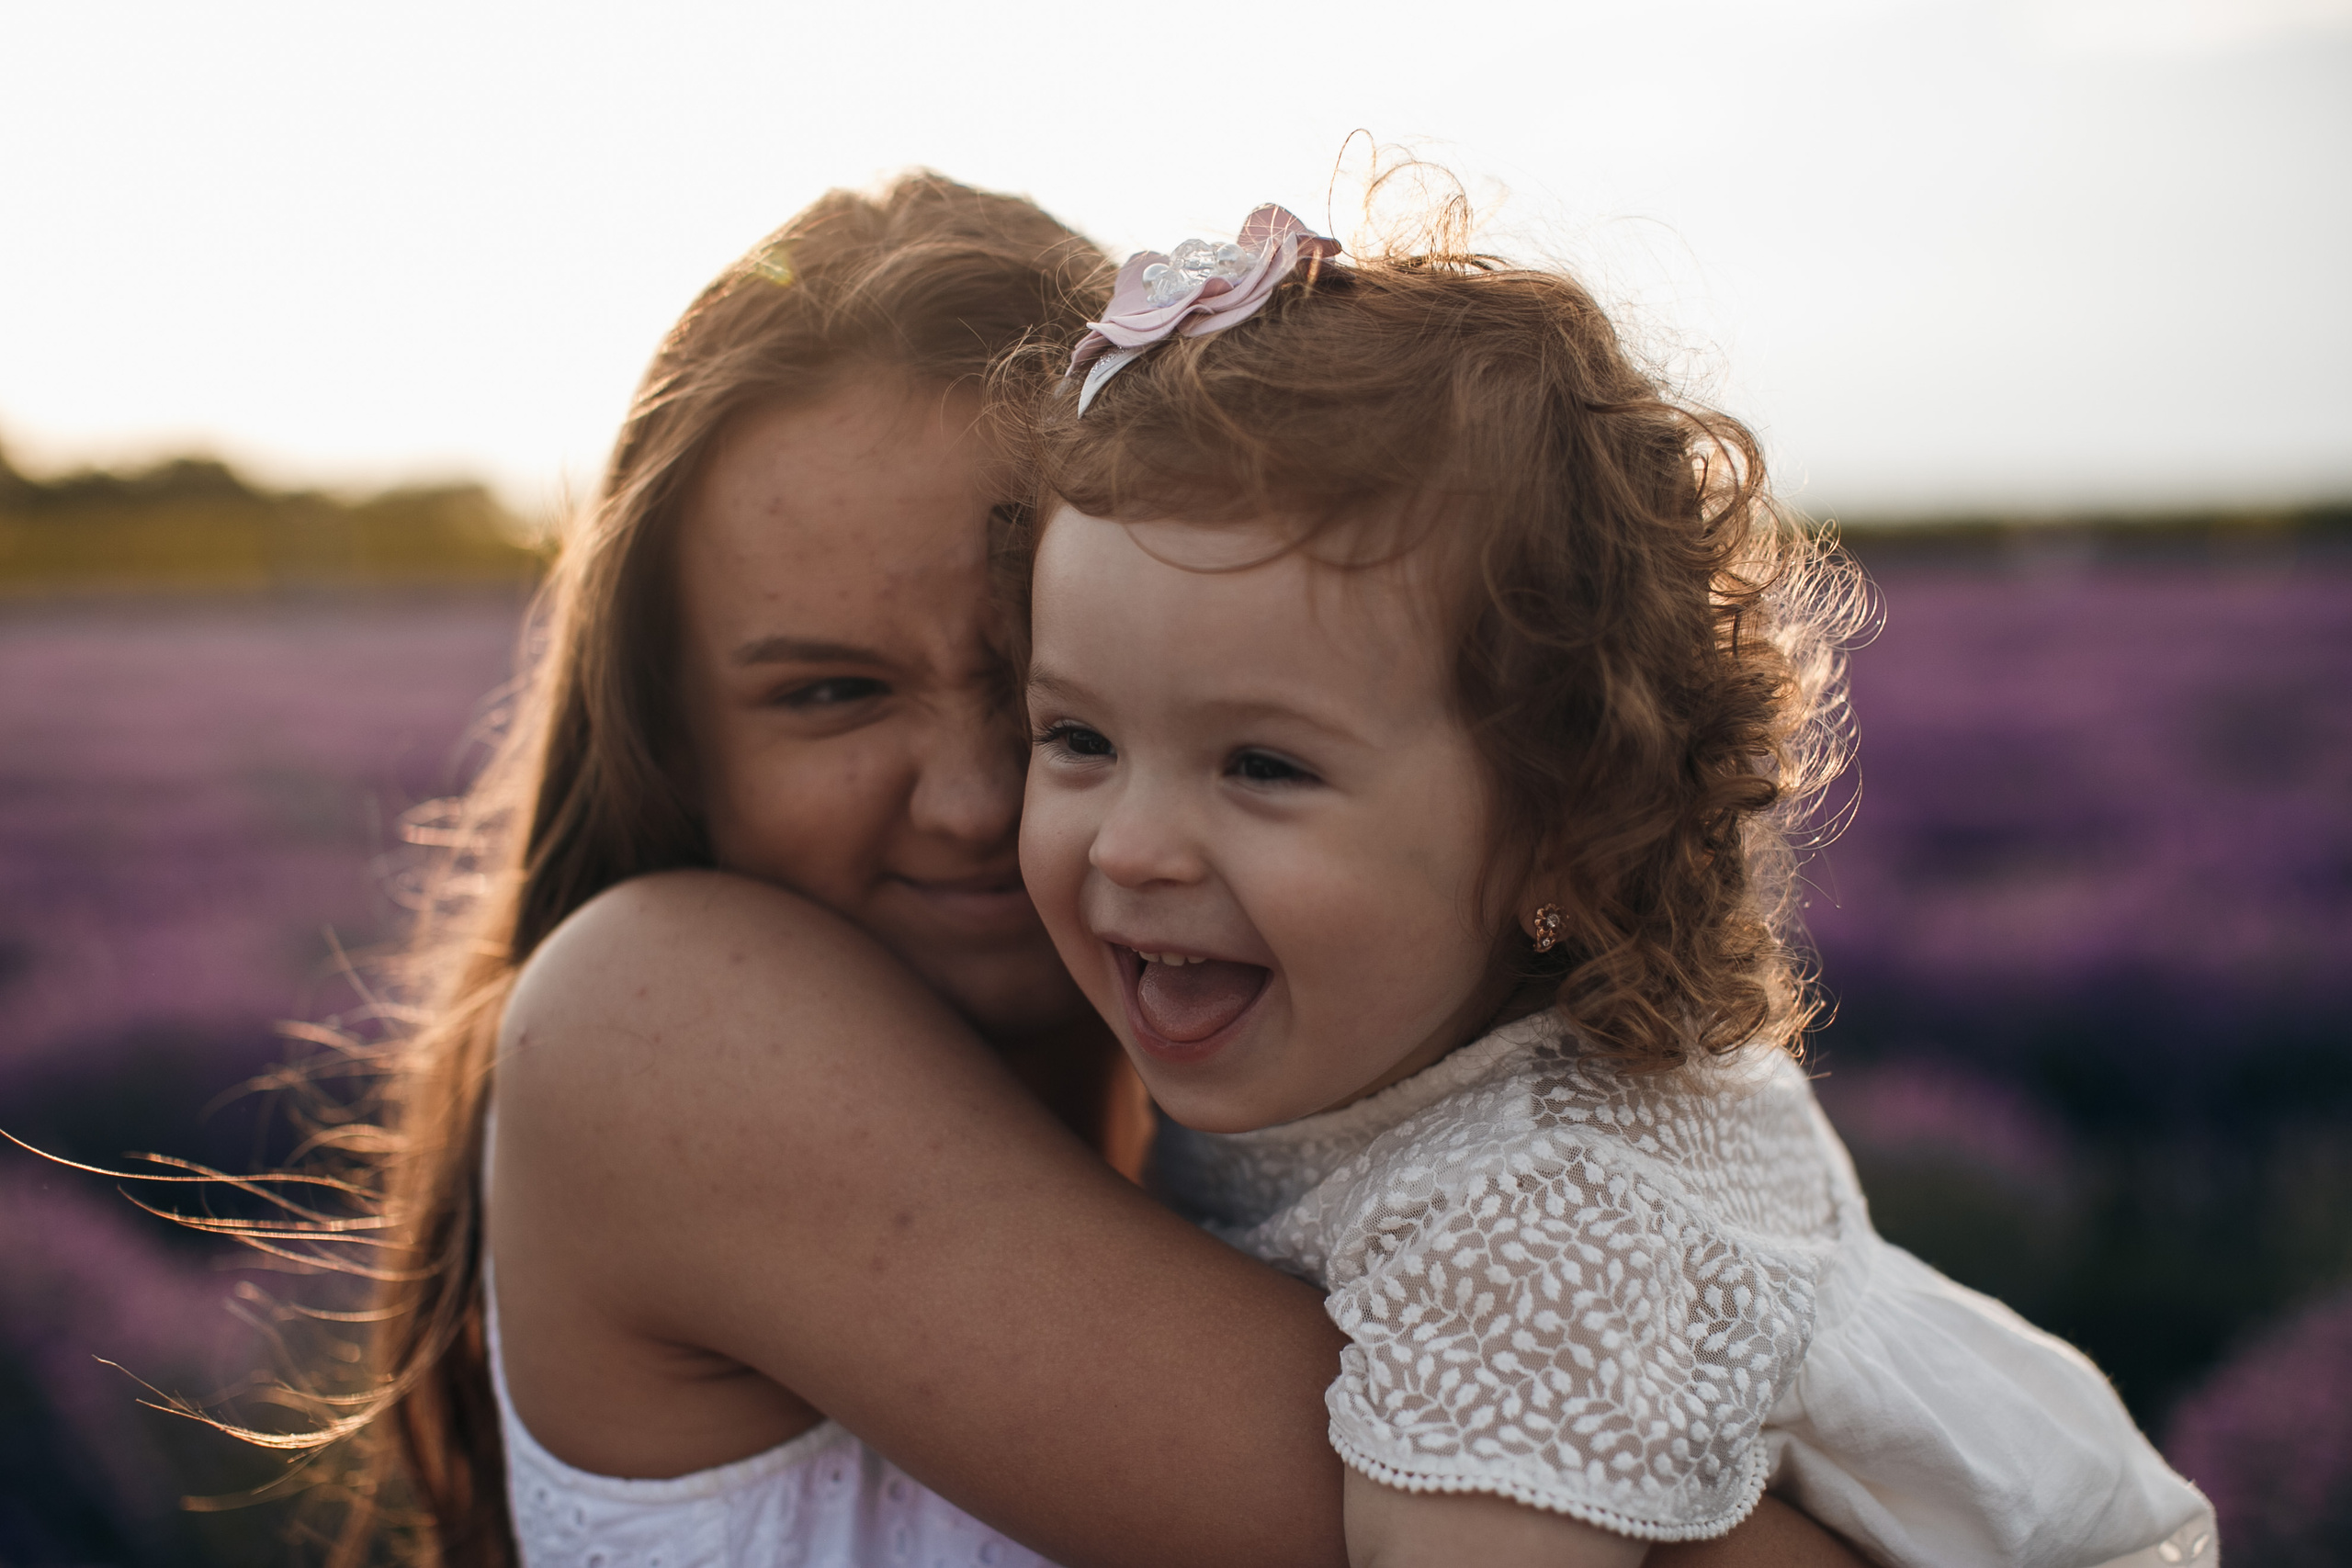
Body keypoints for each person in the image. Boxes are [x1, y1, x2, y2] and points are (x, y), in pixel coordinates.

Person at [306, 173, 1872, 1567]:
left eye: (1045, 693)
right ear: (671, 744)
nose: (987, 793)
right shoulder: (650, 1019)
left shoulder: (1320, 1134)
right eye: (829, 693)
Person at [1007, 198, 2222, 1566]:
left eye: (1264, 767)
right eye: (1077, 740)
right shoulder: (1384, 1046)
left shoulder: (1538, 1228)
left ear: (1563, 837)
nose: (1129, 845)